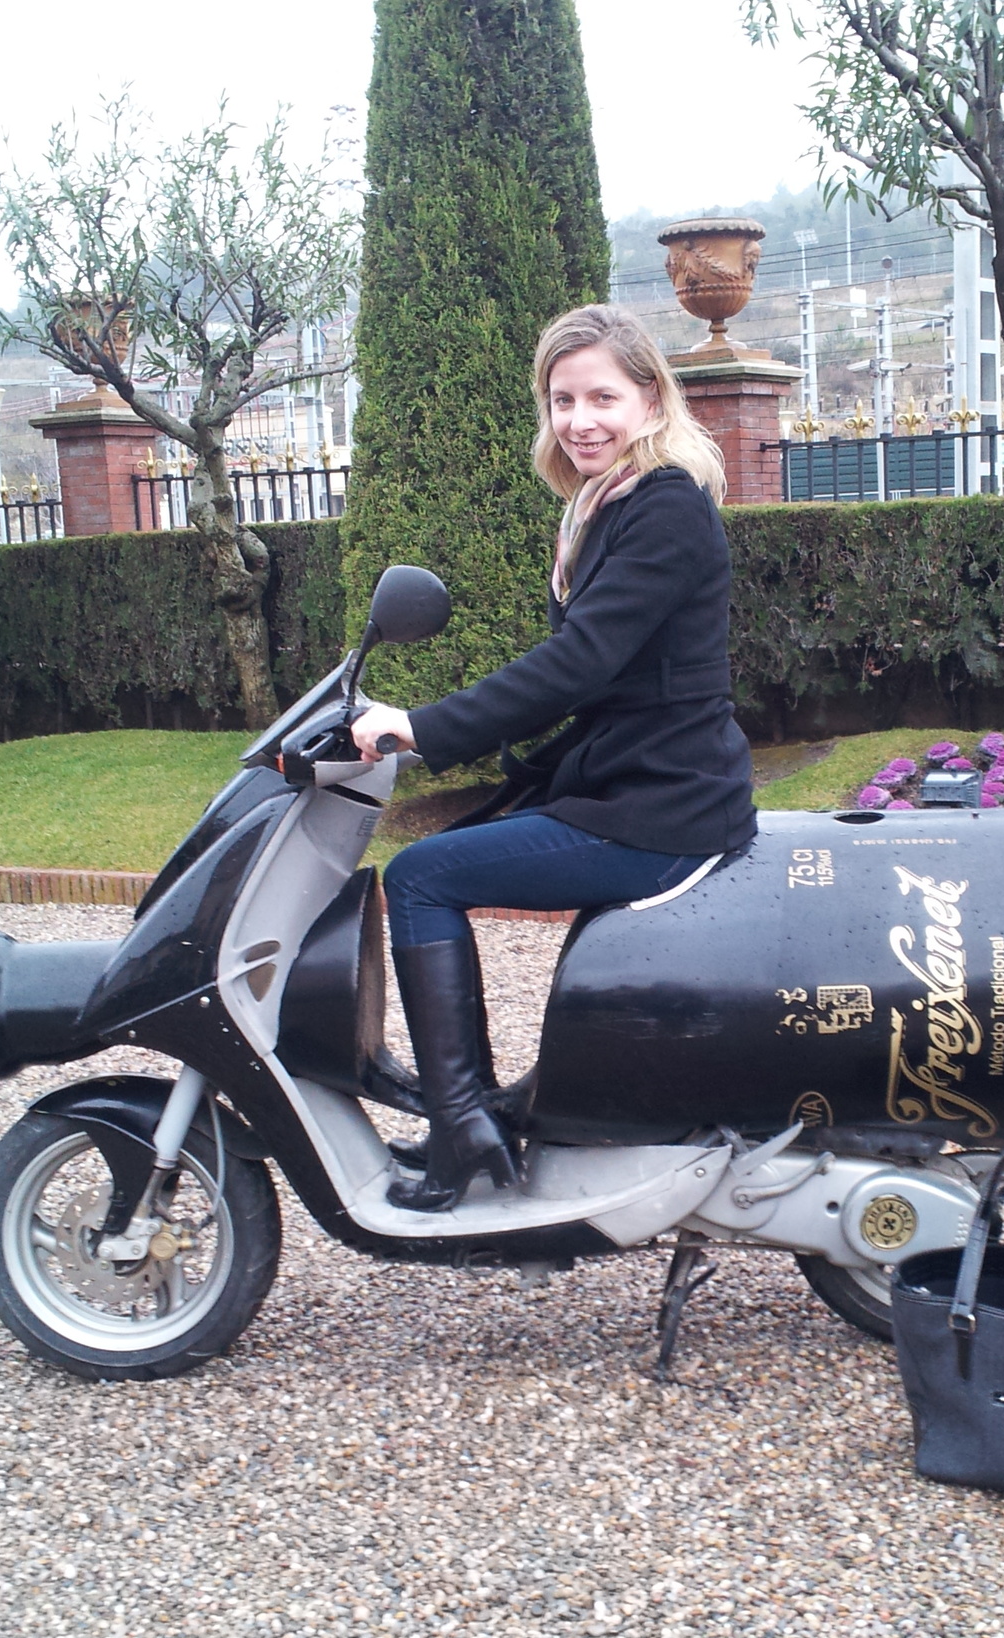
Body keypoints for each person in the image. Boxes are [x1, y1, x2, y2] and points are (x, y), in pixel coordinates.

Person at [349, 303, 757, 1212]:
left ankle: (464, 1133)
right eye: (562, 398)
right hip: (640, 786)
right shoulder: (605, 508)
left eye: (603, 396)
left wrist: (423, 724)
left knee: (419, 877)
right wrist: (507, 781)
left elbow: (580, 665)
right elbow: (618, 688)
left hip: (662, 810)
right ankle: (481, 1113)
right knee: (448, 853)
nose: (581, 420)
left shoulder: (665, 510)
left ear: (651, 401)